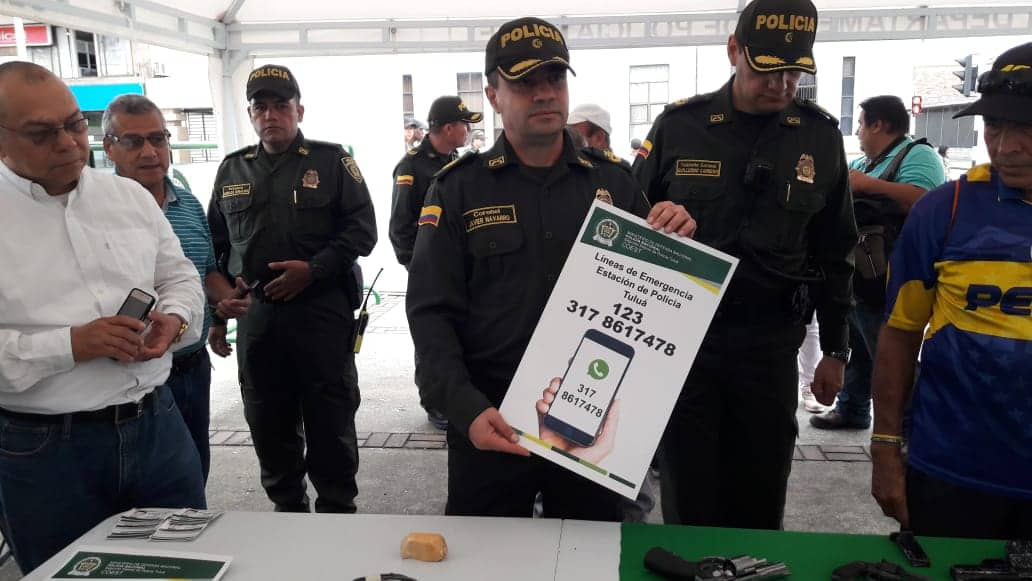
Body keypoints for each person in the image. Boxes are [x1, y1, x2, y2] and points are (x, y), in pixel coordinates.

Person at [406, 16, 695, 519]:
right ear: (493, 95)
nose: (544, 93)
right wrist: (464, 407)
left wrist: (674, 236)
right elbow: (431, 313)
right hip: (490, 422)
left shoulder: (615, 184)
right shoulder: (457, 190)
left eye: (554, 79)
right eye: (524, 83)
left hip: (592, 420)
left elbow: (654, 301)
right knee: (487, 558)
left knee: (591, 553)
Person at [632, 0, 856, 529]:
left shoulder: (819, 137)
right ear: (733, 51)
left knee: (761, 494)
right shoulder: (679, 127)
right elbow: (625, 225)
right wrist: (657, 220)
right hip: (686, 347)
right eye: (765, 69)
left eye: (793, 72)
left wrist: (836, 350)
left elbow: (836, 251)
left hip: (770, 347)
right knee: (688, 495)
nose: (780, 84)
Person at [0, 62, 205, 572]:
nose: (68, 143)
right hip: (46, 450)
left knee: (183, 567)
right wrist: (71, 345)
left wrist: (174, 319)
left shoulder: (128, 197)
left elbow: (179, 277)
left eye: (74, 124)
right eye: (42, 133)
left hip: (158, 426)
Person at [871, 42, 1032, 540]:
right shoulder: (944, 210)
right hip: (951, 472)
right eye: (995, 126)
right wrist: (885, 446)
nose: (1005, 147)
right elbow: (899, 333)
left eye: (1026, 128)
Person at [208, 64, 377, 513]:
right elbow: (216, 250)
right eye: (260, 107)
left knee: (331, 421)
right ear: (250, 115)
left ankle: (338, 514)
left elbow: (362, 230)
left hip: (321, 314)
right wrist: (219, 311)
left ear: (299, 110)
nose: (271, 115)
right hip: (259, 319)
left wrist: (314, 269)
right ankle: (287, 513)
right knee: (267, 422)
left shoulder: (331, 162)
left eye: (280, 105)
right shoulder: (232, 169)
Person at [101, 94, 249, 483]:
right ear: (109, 148)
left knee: (191, 476)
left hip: (191, 368)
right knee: (137, 487)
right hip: (132, 378)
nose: (149, 152)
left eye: (157, 139)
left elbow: (204, 272)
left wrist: (226, 301)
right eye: (133, 141)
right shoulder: (95, 211)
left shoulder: (188, 205)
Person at [811, 95, 944, 430]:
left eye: (860, 124)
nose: (857, 132)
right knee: (857, 342)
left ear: (878, 125)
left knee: (888, 351)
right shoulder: (863, 163)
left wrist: (867, 185)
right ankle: (853, 408)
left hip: (894, 274)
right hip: (859, 271)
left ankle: (915, 426)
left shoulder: (917, 155)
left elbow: (925, 200)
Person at [390, 95, 482, 430]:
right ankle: (434, 402)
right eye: (464, 124)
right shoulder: (411, 167)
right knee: (430, 333)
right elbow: (400, 226)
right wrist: (418, 268)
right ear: (448, 128)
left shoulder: (456, 161)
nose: (468, 130)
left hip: (457, 268)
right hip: (428, 268)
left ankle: (454, 393)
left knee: (454, 332)